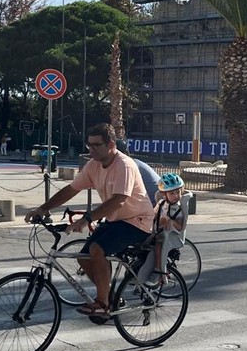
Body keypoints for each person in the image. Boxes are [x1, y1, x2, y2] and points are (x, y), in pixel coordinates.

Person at [26, 123, 154, 318]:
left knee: (97, 249)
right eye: (89, 145)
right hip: (115, 219)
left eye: (96, 145)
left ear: (111, 145)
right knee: (84, 257)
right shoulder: (93, 165)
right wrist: (43, 208)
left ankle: (103, 303)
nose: (91, 150)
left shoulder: (124, 165)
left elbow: (118, 200)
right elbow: (71, 189)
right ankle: (110, 296)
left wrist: (87, 219)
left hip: (137, 220)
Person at [136, 172, 189, 284]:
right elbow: (153, 214)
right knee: (139, 243)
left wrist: (171, 221)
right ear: (164, 194)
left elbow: (181, 226)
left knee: (159, 246)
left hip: (171, 236)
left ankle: (158, 272)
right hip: (157, 232)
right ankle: (136, 271)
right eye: (172, 193)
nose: (175, 196)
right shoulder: (161, 203)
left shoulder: (178, 208)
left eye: (178, 192)